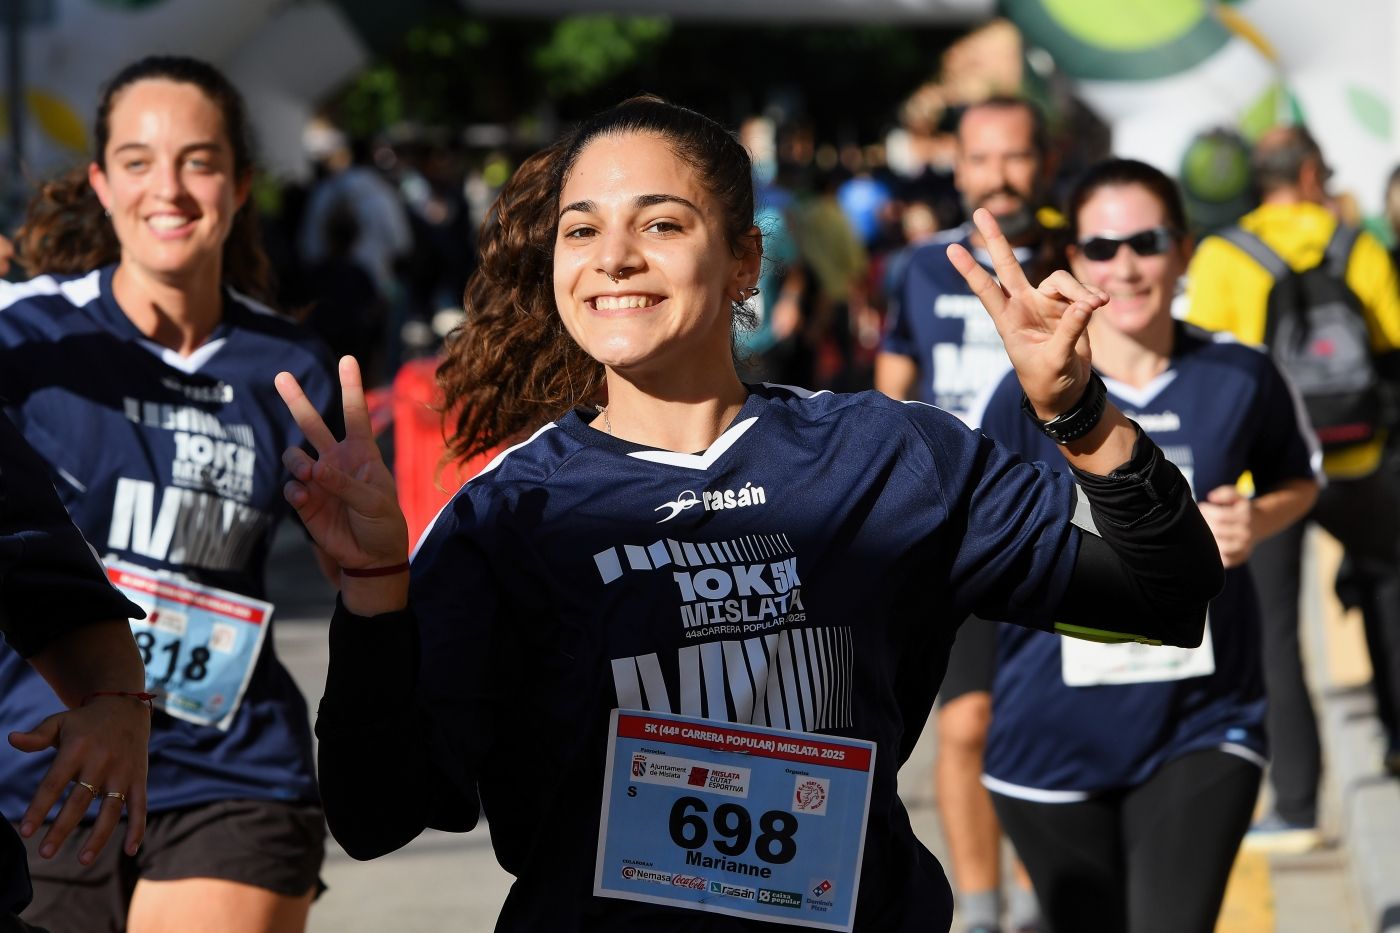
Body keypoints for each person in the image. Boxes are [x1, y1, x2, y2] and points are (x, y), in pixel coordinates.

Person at [274, 96, 1224, 932]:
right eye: (581, 229)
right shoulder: (509, 514)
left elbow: (1166, 594)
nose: (613, 258)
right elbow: (377, 813)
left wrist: (1079, 413)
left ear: (743, 261)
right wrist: (374, 594)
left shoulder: (889, 456)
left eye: (662, 224)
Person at [0, 56, 337, 932]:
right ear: (102, 184)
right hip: (42, 768)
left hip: (233, 771)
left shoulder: (296, 369)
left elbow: (364, 580)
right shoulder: (25, 338)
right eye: (140, 161)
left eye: (199, 160)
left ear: (241, 184)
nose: (172, 189)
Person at [975, 158, 1319, 933]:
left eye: (1147, 241)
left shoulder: (1241, 372)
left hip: (1203, 716)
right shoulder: (1023, 391)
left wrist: (1254, 521)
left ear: (1185, 249)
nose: (1124, 267)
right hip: (1050, 736)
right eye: (1101, 247)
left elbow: (1300, 481)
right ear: (1076, 259)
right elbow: (971, 541)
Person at [1186, 125, 1400, 848]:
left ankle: (1298, 804)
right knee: (1389, 586)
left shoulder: (1223, 255)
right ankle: (1397, 738)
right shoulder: (1355, 243)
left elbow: (1205, 363)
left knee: (1276, 631)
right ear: (1310, 171)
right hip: (1358, 457)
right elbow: (1391, 334)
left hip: (1264, 475)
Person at [874, 95, 1051, 933]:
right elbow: (889, 389)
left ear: (1041, 163)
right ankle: (979, 912)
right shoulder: (919, 266)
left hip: (1052, 522)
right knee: (968, 720)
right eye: (982, 160)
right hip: (952, 530)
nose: (999, 177)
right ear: (957, 167)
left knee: (1042, 717)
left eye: (1014, 158)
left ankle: (1035, 898)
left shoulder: (1077, 258)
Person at [0, 409, 151, 933]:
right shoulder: (26, 332)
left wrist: (117, 701)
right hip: (34, 791)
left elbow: (51, 586)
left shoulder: (279, 360)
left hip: (234, 762)